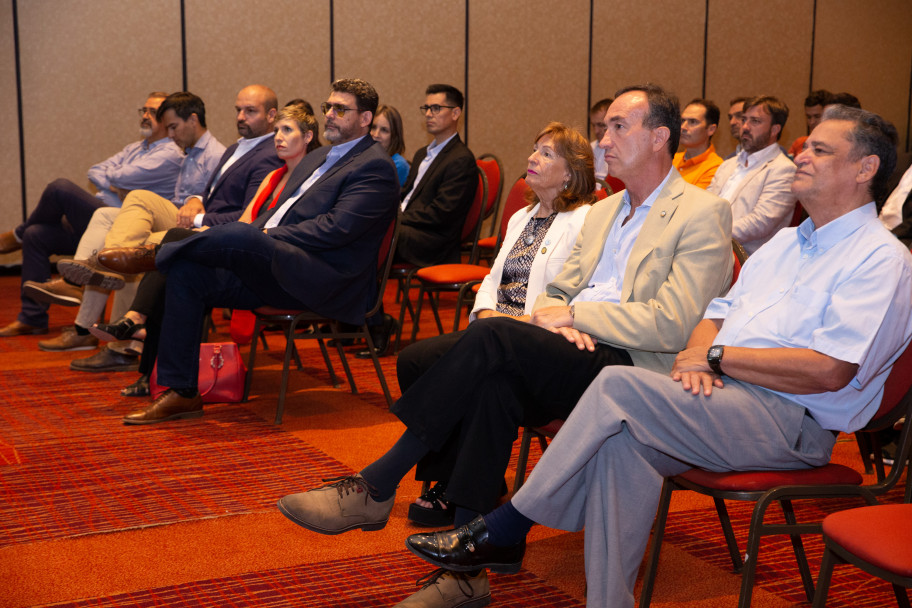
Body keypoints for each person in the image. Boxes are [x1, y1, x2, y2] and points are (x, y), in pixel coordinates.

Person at [403, 105, 912, 608]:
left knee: (617, 388)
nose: (803, 155)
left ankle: (506, 523)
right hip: (721, 394)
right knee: (623, 440)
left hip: (791, 423)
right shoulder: (784, 244)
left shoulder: (881, 258)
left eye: (821, 150)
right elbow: (716, 312)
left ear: (865, 169)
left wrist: (714, 358)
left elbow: (830, 369)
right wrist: (698, 357)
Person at [275, 84, 734, 608]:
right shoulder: (607, 212)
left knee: (490, 337)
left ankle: (378, 485)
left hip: (632, 368)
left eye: (617, 127)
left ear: (659, 138)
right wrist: (560, 316)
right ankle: (467, 574)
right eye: (604, 126)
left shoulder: (702, 212)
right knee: (493, 383)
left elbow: (674, 323)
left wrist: (578, 315)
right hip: (573, 348)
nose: (603, 138)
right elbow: (557, 290)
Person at [104, 78, 399, 425]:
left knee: (241, 236)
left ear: (365, 119)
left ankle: (153, 255)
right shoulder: (318, 156)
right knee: (187, 272)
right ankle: (181, 392)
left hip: (322, 278)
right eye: (328, 107)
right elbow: (278, 210)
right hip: (276, 265)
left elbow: (335, 229)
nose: (330, 115)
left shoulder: (375, 167)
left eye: (340, 110)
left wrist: (265, 233)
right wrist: (263, 231)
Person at [397, 122, 594, 527]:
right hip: (493, 329)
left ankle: (454, 487)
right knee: (414, 360)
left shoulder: (586, 220)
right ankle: (460, 479)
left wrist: (512, 323)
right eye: (533, 149)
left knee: (476, 379)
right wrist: (485, 314)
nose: (532, 158)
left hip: (537, 338)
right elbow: (491, 278)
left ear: (571, 172)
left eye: (546, 153)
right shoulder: (521, 216)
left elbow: (579, 291)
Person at [93, 105, 322, 397]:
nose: (278, 137)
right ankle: (149, 365)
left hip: (273, 263)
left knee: (175, 246)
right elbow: (244, 222)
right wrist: (209, 234)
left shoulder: (313, 180)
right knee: (178, 265)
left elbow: (289, 231)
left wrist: (210, 234)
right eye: (277, 130)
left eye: (287, 130)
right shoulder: (272, 177)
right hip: (246, 249)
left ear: (308, 137)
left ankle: (136, 318)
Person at [26, 91, 227, 356]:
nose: (171, 134)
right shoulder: (186, 150)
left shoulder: (215, 155)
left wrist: (195, 200)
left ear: (193, 120)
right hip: (173, 215)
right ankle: (78, 288)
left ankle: (119, 343)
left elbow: (215, 202)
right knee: (104, 218)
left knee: (129, 238)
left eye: (173, 127)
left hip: (190, 225)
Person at [0, 93, 183, 337]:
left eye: (154, 112)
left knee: (60, 188)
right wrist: (117, 183)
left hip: (122, 226)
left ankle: (16, 236)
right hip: (96, 223)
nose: (146, 116)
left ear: (168, 118)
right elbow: (94, 171)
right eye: (144, 110)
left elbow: (119, 177)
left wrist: (115, 180)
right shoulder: (134, 148)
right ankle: (33, 318)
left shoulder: (170, 153)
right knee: (37, 235)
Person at [709, 95, 796, 254]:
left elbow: (759, 223)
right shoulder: (728, 165)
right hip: (710, 248)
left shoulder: (784, 169)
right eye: (744, 120)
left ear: (774, 129)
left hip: (744, 258)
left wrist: (709, 234)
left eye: (755, 121)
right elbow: (705, 204)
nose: (745, 127)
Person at [673, 98, 723, 189]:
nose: (683, 127)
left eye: (693, 122)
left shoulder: (716, 168)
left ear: (711, 129)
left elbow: (691, 201)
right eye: (682, 121)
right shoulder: (672, 159)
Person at [787, 89, 832, 158]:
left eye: (817, 116)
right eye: (808, 117)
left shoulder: (837, 145)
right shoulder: (800, 143)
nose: (812, 122)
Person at [371, 104, 409, 186]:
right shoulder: (362, 158)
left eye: (384, 130)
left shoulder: (398, 165)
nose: (376, 134)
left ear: (394, 136)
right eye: (373, 127)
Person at [588, 97, 613, 183]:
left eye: (600, 125)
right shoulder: (590, 148)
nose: (596, 131)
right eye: (593, 125)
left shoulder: (622, 151)